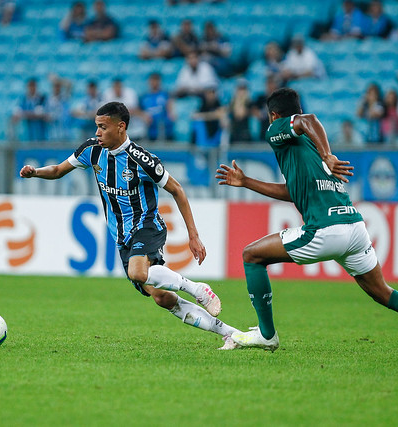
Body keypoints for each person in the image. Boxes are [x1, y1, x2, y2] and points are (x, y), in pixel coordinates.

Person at [215, 87, 398, 363]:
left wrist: (328, 155)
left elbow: (307, 120)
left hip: (325, 230)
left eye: (271, 118)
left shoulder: (282, 130)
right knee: (383, 292)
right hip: (354, 227)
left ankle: (267, 335)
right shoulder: (307, 144)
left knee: (251, 255)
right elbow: (294, 191)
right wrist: (247, 182)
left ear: (275, 115)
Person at [20, 102, 243, 350]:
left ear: (121, 127)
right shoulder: (92, 151)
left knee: (137, 272)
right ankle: (231, 334)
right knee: (162, 298)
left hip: (147, 225)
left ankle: (198, 289)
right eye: (96, 127)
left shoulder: (142, 159)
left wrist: (194, 235)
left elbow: (177, 190)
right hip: (122, 236)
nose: (97, 133)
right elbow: (58, 170)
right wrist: (35, 172)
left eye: (103, 127)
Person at [139, 72, 175, 141]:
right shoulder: (144, 96)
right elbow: (139, 110)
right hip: (149, 127)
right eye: (152, 80)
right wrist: (143, 115)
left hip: (163, 127)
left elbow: (170, 108)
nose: (154, 82)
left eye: (156, 80)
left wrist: (171, 113)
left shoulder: (165, 94)